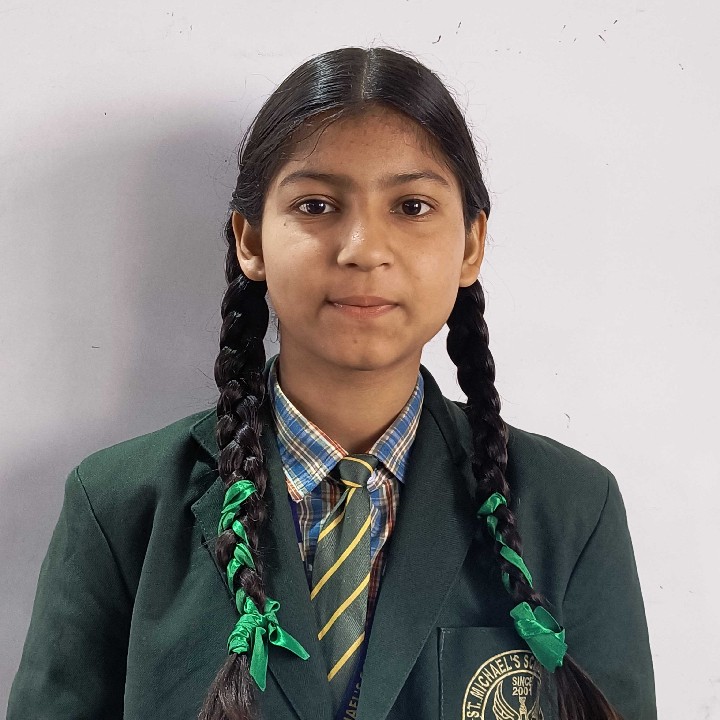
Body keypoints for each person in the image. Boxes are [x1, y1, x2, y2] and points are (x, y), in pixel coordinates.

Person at [7, 46, 656, 720]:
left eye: (411, 206)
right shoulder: (120, 507)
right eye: (316, 205)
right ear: (250, 241)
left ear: (470, 244)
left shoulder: (571, 509)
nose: (363, 249)